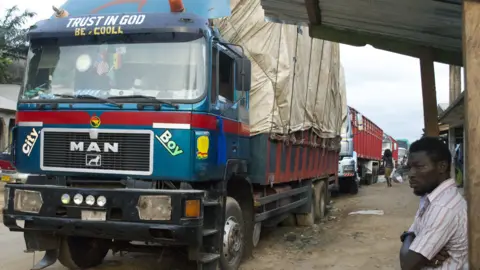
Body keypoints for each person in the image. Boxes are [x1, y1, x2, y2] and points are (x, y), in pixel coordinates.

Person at [399, 137, 467, 270]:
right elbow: (413, 233)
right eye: (410, 167)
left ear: (442, 167)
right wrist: (410, 236)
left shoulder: (443, 207)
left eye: (419, 167)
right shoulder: (431, 198)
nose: (411, 174)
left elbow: (407, 264)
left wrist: (409, 237)